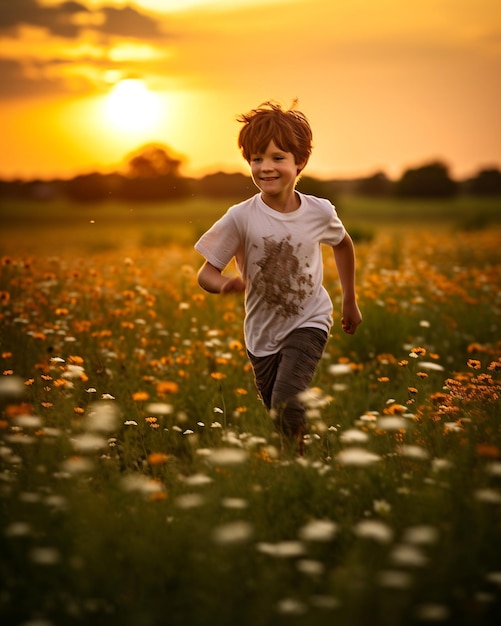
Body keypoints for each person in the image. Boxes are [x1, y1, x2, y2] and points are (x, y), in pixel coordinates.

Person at [195, 101, 362, 454]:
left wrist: (349, 299)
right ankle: (305, 458)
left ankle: (311, 462)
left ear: (299, 162)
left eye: (277, 158)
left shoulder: (319, 211)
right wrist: (224, 284)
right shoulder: (240, 217)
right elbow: (206, 272)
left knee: (287, 402)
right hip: (261, 334)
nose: (266, 167)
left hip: (309, 320)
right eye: (257, 158)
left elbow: (343, 245)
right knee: (279, 415)